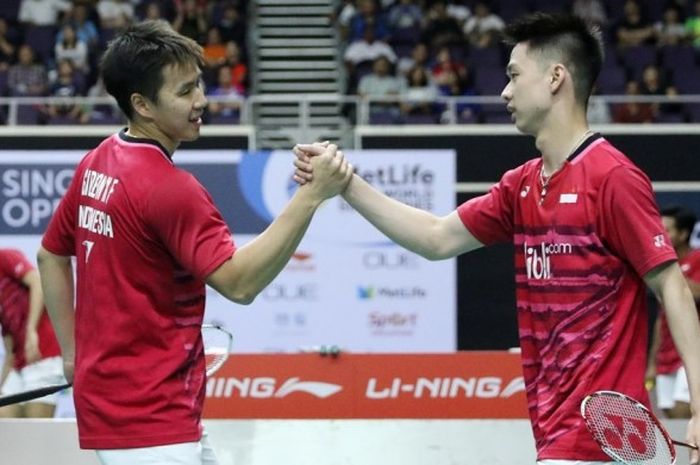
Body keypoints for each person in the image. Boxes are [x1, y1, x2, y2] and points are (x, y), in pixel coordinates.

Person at [294, 13, 700, 464]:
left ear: (555, 78)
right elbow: (435, 238)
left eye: (513, 75)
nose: (504, 91)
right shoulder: (520, 185)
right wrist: (346, 183)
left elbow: (672, 287)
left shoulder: (612, 177)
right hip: (550, 428)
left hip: (601, 435)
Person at [37, 20, 352, 465]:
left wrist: (73, 357)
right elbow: (240, 284)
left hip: (137, 414)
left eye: (198, 85)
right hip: (149, 424)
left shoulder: (98, 161)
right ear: (142, 104)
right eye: (185, 92)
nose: (202, 100)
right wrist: (311, 196)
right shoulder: (170, 188)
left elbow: (50, 254)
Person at [646, 206, 700, 418]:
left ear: (683, 234)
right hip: (666, 354)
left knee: (684, 411)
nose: (661, 234)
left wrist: (670, 281)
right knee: (672, 415)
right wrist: (652, 362)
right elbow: (661, 319)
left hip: (690, 352)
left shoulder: (696, 260)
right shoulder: (667, 266)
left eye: (667, 230)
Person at [0, 248, 63, 418]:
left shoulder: (5, 257)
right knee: (4, 421)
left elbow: (37, 282)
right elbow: (9, 351)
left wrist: (31, 331)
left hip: (44, 355)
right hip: (19, 366)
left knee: (35, 429)